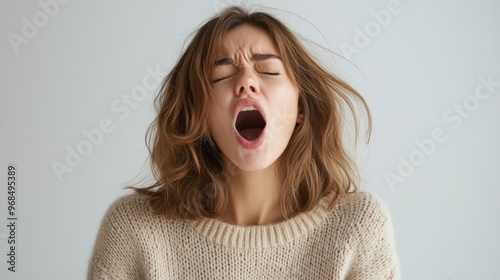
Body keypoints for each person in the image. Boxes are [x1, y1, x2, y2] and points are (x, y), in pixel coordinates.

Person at [87, 5, 401, 279]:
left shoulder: (359, 226)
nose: (247, 82)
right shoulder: (132, 230)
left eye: (268, 70)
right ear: (200, 114)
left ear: (300, 109)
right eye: (222, 74)